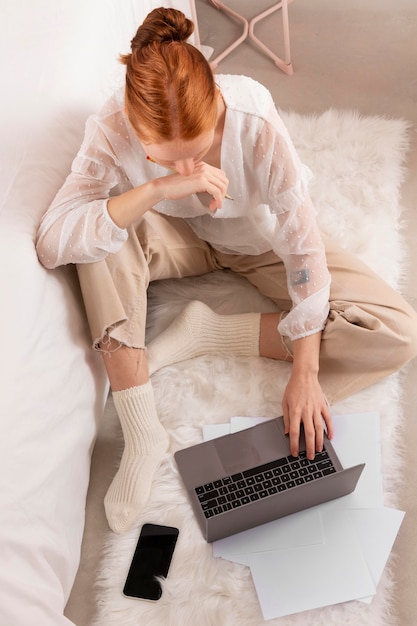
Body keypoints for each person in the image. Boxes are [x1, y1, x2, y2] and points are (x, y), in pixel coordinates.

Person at [36, 7, 417, 534]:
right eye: (164, 160)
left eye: (195, 154)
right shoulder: (111, 127)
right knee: (98, 239)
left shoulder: (253, 116)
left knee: (396, 331)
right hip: (169, 237)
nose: (185, 171)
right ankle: (142, 428)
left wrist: (305, 371)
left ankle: (212, 332)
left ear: (217, 104)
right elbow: (54, 240)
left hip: (254, 241)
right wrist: (155, 189)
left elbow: (302, 245)